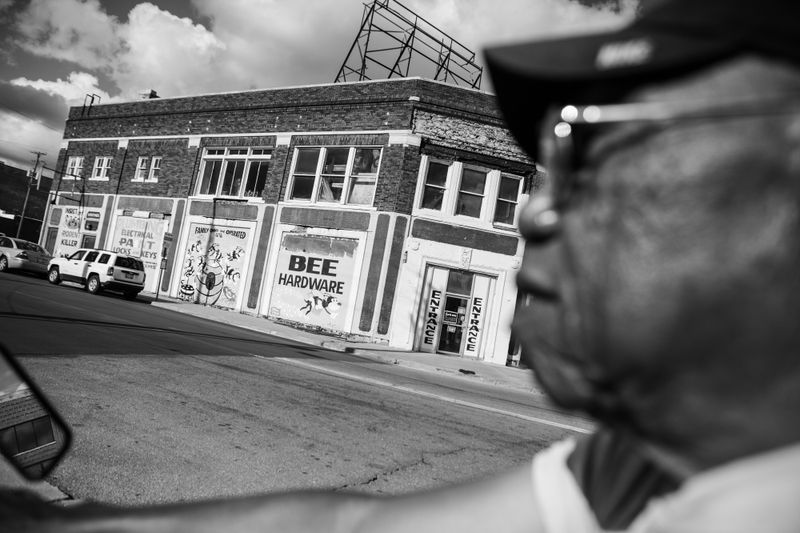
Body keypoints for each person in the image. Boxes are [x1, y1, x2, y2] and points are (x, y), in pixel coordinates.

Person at [3, 0, 799, 531]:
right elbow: (352, 524)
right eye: (544, 158)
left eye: (598, 140)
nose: (534, 208)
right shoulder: (659, 461)